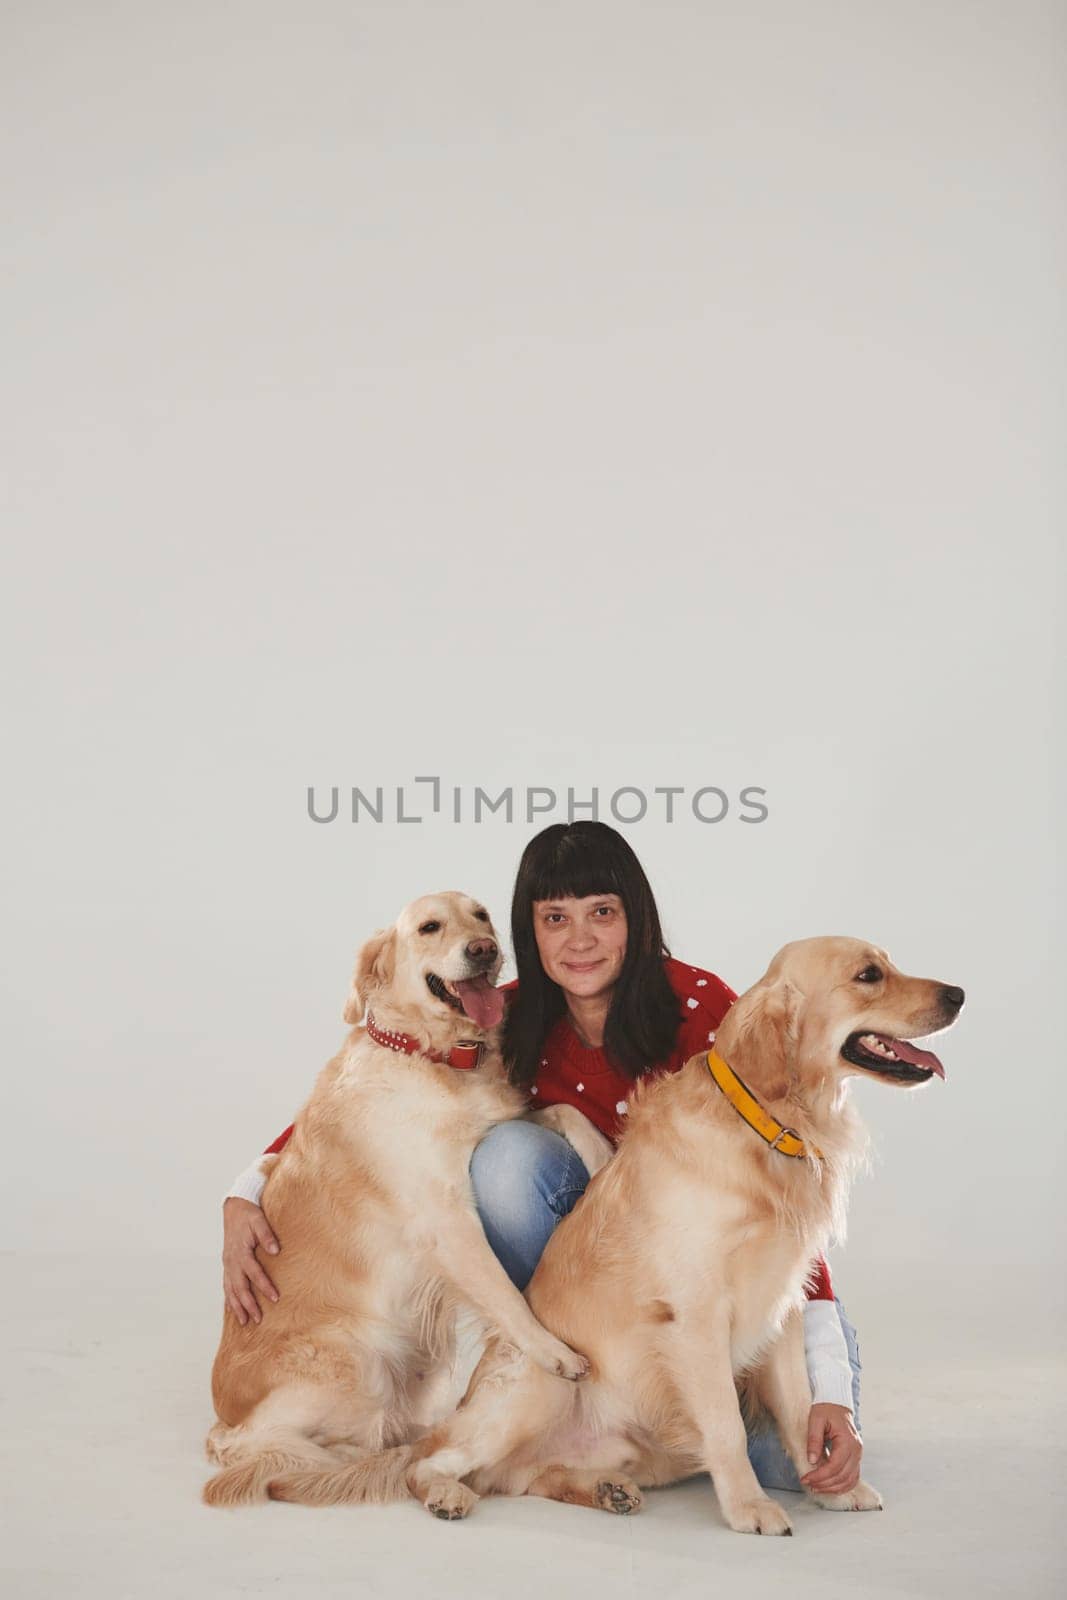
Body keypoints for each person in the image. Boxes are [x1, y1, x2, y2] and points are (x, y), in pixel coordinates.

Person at [222, 822, 864, 1497]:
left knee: (789, 1471)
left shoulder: (703, 1007)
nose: (579, 939)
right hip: (599, 1305)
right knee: (508, 1158)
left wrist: (832, 1389)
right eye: (554, 918)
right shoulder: (502, 1015)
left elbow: (786, 1195)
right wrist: (246, 1190)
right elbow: (360, 1112)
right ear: (528, 934)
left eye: (602, 913)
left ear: (635, 920)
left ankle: (667, 1407)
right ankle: (585, 1398)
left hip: (720, 1295)